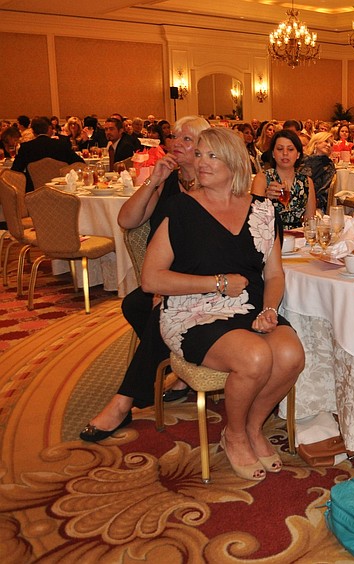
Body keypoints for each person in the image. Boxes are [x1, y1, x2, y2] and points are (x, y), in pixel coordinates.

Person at [142, 127, 304, 481]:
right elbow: (150, 278)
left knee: (292, 356)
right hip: (192, 312)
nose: (201, 162)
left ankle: (253, 426)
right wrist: (216, 283)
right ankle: (234, 434)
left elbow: (274, 274)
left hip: (251, 310)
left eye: (212, 156)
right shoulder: (181, 209)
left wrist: (270, 309)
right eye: (199, 154)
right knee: (255, 357)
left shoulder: (263, 210)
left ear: (234, 164)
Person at [79, 116, 210, 443]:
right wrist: (153, 180)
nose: (177, 143)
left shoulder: (215, 184)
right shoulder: (168, 181)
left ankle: (123, 401)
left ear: (207, 147)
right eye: (175, 137)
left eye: (188, 139)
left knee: (158, 312)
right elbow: (127, 219)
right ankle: (181, 367)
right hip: (164, 276)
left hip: (203, 279)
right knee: (134, 303)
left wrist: (166, 289)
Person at [251, 129, 316, 229]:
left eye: (290, 149)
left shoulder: (306, 182)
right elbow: (254, 218)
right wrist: (265, 200)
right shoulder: (262, 179)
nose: (285, 153)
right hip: (270, 236)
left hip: (298, 238)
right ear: (273, 153)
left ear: (298, 154)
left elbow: (310, 221)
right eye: (280, 149)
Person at [11, 116, 84, 191]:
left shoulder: (26, 147)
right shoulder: (61, 145)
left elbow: (15, 171)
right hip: (62, 191)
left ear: (33, 131)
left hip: (34, 192)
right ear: (49, 129)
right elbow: (80, 163)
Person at [299, 132, 335, 213]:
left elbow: (323, 192)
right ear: (315, 143)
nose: (329, 145)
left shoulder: (327, 165)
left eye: (331, 144)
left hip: (314, 203)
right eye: (326, 141)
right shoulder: (303, 159)